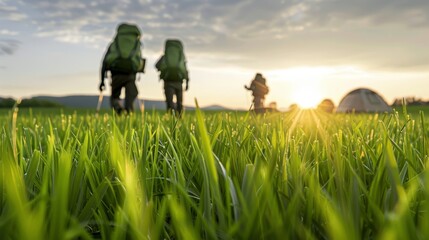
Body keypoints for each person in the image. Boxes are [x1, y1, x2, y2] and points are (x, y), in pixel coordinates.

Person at [99, 23, 145, 115]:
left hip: (116, 73)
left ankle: (118, 109)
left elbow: (104, 62)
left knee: (115, 96)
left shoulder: (115, 43)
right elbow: (139, 61)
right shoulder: (136, 43)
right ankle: (128, 111)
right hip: (130, 74)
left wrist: (102, 81)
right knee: (132, 93)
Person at [155, 39, 189, 116]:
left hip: (168, 82)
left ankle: (171, 118)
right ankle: (179, 119)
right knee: (179, 102)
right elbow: (185, 70)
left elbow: (156, 65)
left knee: (169, 102)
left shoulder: (165, 57)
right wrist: (187, 82)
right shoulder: (181, 58)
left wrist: (163, 69)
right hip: (179, 82)